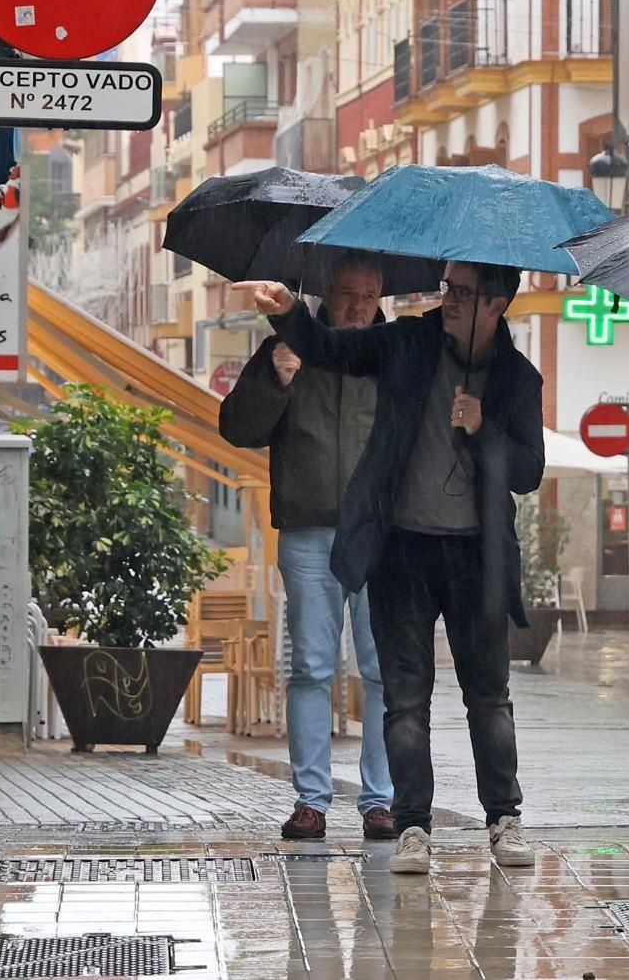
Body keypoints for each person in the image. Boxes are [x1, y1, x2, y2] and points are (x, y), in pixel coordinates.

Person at [237, 261, 546, 877]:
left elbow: (528, 471)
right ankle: (410, 825)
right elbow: (330, 347)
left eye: (461, 293)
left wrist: (483, 427)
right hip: (402, 550)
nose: (447, 301)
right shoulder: (407, 341)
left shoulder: (516, 377)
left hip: (474, 555)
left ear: (496, 303)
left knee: (489, 697)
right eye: (446, 289)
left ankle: (504, 819)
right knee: (405, 698)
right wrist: (287, 313)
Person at [219, 256, 395, 842]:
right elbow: (237, 428)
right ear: (324, 293)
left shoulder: (397, 355)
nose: (359, 305)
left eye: (370, 295)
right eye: (348, 293)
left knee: (384, 671)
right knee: (313, 668)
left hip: (381, 536)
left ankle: (381, 801)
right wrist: (276, 377)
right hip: (308, 532)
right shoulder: (288, 346)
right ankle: (311, 801)